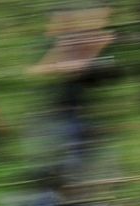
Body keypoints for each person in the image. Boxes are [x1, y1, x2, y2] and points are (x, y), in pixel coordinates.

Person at [28, 7, 118, 185]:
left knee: (82, 147)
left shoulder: (81, 41)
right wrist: (77, 65)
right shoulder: (54, 44)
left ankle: (71, 181)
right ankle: (64, 182)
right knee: (71, 148)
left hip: (77, 109)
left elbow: (95, 74)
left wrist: (93, 62)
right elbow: (37, 70)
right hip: (58, 110)